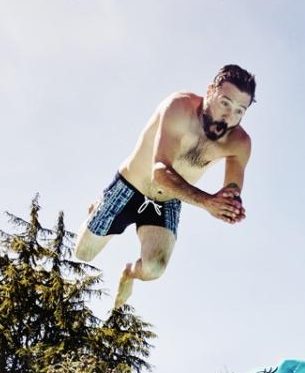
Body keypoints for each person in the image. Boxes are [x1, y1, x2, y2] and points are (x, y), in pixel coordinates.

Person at [75, 65, 255, 308]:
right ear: (210, 91)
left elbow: (232, 188)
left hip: (168, 199)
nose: (228, 117)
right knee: (83, 254)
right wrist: (207, 202)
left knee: (155, 268)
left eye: (239, 111)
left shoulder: (240, 143)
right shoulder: (179, 108)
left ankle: (129, 272)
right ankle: (97, 206)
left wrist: (231, 204)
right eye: (225, 103)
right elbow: (159, 171)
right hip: (131, 185)